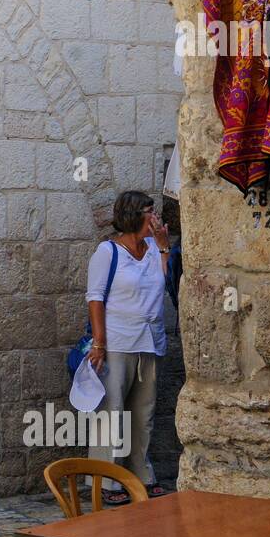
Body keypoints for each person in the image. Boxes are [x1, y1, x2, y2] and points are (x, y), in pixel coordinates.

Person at [84, 191, 170, 504]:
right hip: (116, 342)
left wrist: (163, 247)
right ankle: (107, 480)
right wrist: (99, 343)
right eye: (150, 211)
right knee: (112, 412)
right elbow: (95, 297)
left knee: (142, 414)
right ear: (135, 215)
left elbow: (164, 283)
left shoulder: (152, 248)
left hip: (148, 341)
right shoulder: (107, 252)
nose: (155, 218)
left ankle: (140, 474)